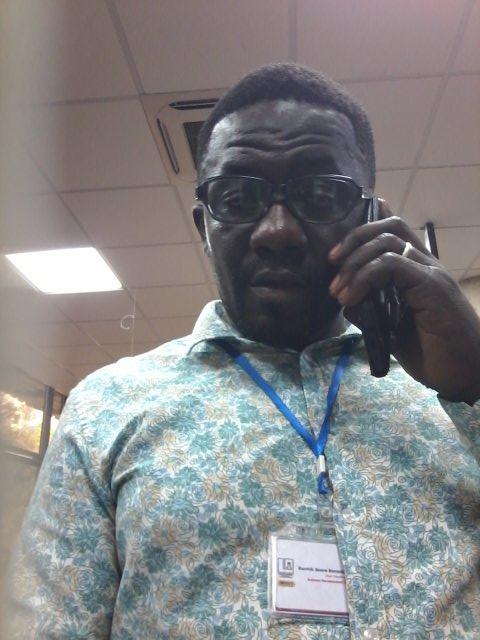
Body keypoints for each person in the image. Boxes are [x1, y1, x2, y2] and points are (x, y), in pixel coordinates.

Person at [7, 63, 480, 639]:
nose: (277, 230)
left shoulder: (454, 390)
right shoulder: (104, 410)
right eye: (237, 197)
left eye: (319, 194)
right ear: (204, 228)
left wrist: (475, 385)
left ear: (372, 217)